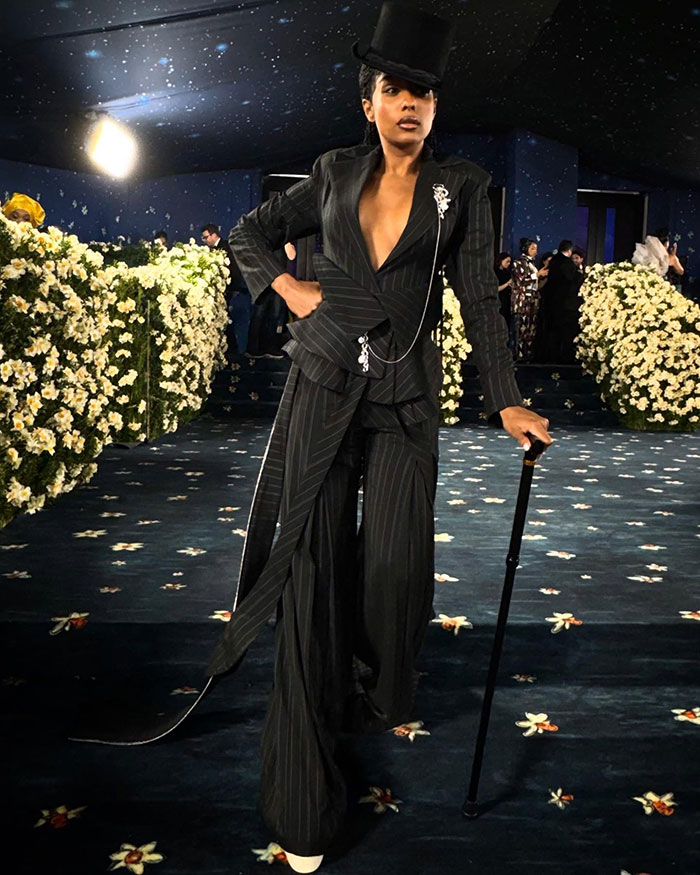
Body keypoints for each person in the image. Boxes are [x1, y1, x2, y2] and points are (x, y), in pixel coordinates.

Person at [73, 4, 551, 872]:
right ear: (369, 101)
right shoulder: (330, 175)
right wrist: (287, 290)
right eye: (395, 89)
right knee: (309, 573)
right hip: (323, 387)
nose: (410, 104)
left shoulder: (464, 189)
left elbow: (481, 300)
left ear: (435, 108)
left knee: (396, 571)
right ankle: (302, 799)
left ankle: (374, 682)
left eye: (425, 94)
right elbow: (254, 234)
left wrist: (506, 399)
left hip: (407, 402)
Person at [201, 222, 252, 357]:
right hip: (219, 291)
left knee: (228, 320)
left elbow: (234, 269)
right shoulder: (210, 250)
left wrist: (235, 287)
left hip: (230, 289)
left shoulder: (227, 247)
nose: (205, 241)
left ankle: (233, 351)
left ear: (214, 235)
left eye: (206, 237)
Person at [538, 239, 582, 363]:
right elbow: (574, 280)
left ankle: (550, 357)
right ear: (569, 250)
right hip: (565, 304)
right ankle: (563, 359)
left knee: (551, 332)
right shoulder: (567, 264)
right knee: (564, 333)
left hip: (551, 302)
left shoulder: (553, 262)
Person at [510, 237, 545, 361]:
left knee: (530, 330)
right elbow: (521, 280)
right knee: (520, 330)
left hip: (532, 300)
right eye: (532, 248)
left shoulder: (532, 264)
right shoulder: (518, 263)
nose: (535, 251)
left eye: (536, 248)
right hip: (522, 301)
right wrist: (537, 275)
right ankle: (518, 355)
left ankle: (527, 355)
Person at [494, 251, 514, 348]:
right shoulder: (495, 273)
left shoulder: (507, 273)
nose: (508, 264)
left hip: (507, 302)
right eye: (507, 261)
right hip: (499, 301)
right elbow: (495, 289)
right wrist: (507, 284)